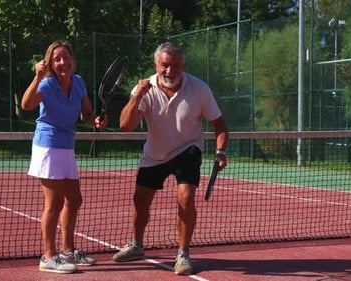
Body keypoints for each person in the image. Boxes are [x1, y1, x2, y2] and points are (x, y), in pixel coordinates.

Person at [113, 42, 228, 275]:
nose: (169, 71)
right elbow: (125, 126)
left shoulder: (199, 89)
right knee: (140, 199)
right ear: (156, 65)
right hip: (155, 154)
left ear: (182, 65)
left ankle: (183, 254)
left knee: (185, 199)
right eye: (164, 65)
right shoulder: (145, 88)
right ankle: (136, 245)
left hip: (188, 150)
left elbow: (219, 125)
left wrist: (221, 152)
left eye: (175, 65)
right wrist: (138, 97)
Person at [21, 40, 107, 274]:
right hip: (48, 146)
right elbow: (26, 104)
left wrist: (95, 121)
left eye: (66, 57)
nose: (63, 62)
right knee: (54, 204)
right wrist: (37, 77)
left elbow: (87, 113)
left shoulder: (78, 82)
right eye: (57, 58)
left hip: (66, 146)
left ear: (72, 60)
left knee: (74, 200)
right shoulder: (46, 84)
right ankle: (48, 257)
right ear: (49, 63)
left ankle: (68, 251)